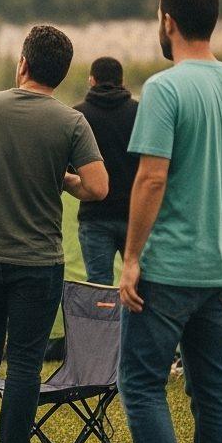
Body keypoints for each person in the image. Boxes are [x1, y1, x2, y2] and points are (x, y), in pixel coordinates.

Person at [118, 0, 222, 443]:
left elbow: (152, 177)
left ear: (168, 21)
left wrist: (132, 257)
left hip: (168, 270)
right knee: (212, 389)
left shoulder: (164, 87)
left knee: (139, 384)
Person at [0, 26, 108, 443]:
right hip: (38, 262)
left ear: (23, 62)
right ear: (60, 75)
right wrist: (62, 178)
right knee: (24, 363)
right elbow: (98, 187)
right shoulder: (71, 122)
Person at [73, 57, 139, 285]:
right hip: (135, 216)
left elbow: (71, 165)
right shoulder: (139, 113)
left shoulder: (78, 116)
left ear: (92, 80)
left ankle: (101, 323)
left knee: (98, 287)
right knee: (139, 287)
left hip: (95, 217)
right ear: (122, 81)